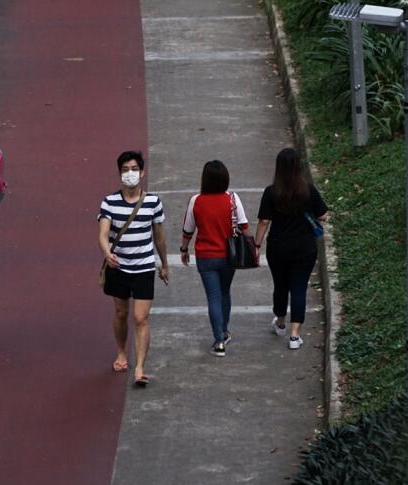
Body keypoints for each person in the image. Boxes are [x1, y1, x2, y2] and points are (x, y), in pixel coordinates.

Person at [98, 150, 169, 387]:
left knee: (141, 317)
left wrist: (164, 264)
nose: (130, 174)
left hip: (144, 266)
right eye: (126, 170)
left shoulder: (153, 202)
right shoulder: (109, 202)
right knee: (121, 313)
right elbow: (103, 233)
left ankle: (139, 368)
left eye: (134, 169)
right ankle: (121, 352)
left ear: (142, 172)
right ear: (119, 174)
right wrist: (107, 253)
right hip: (118, 266)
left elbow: (159, 235)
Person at [254, 148, 328, 349]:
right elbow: (323, 215)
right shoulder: (308, 190)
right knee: (298, 288)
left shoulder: (271, 192)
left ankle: (280, 322)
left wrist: (257, 245)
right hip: (304, 248)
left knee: (280, 285)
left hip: (278, 247)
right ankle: (295, 336)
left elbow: (263, 222)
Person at [180, 160, 254, 357]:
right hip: (229, 256)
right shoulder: (232, 199)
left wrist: (184, 249)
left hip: (205, 257)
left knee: (213, 297)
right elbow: (245, 226)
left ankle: (219, 342)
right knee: (224, 292)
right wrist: (254, 248)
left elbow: (188, 229)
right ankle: (224, 330)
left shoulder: (196, 200)